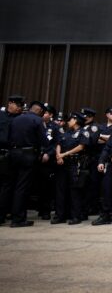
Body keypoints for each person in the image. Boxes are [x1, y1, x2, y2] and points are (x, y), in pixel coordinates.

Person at [7, 100, 47, 227]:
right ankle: (18, 219)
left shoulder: (16, 119)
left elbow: (8, 137)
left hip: (13, 153)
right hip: (27, 155)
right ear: (40, 111)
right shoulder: (37, 121)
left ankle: (8, 214)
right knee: (22, 187)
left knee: (11, 185)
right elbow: (43, 140)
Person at [54, 112, 89, 225]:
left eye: (70, 119)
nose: (68, 121)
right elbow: (59, 143)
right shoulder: (65, 132)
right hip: (62, 163)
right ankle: (60, 215)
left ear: (76, 120)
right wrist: (58, 155)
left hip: (75, 163)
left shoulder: (83, 132)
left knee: (75, 191)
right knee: (60, 190)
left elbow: (81, 146)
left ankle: (75, 216)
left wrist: (65, 154)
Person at [0, 95, 24, 225]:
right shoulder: (1, 115)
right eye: (18, 106)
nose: (19, 109)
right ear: (10, 104)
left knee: (7, 186)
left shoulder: (19, 119)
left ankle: (2, 214)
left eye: (20, 107)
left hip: (8, 155)